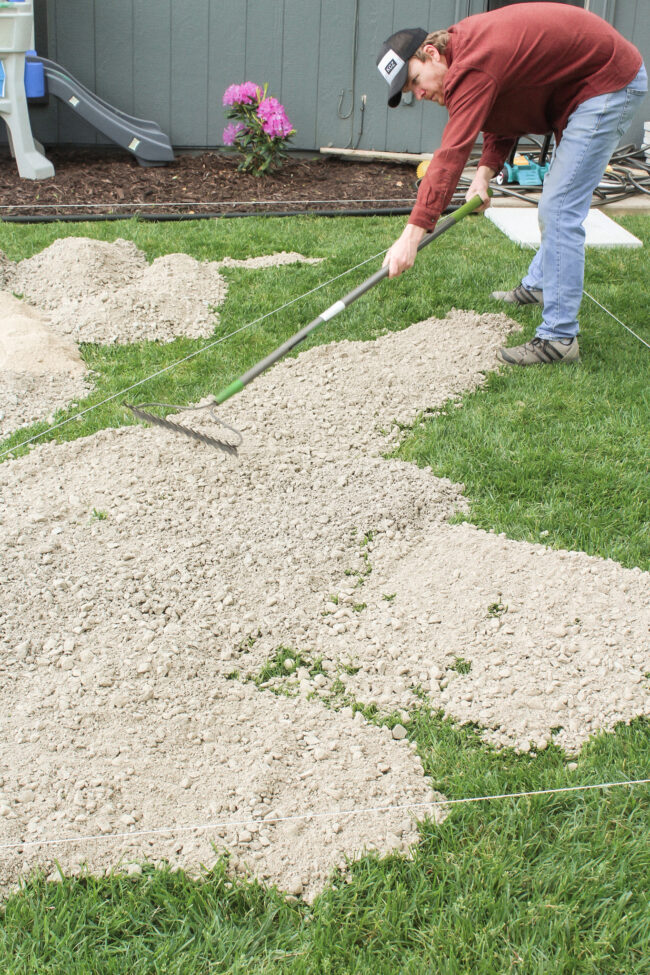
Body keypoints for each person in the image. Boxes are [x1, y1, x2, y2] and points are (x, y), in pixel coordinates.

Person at [376, 4, 647, 365]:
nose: (418, 94)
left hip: (608, 82)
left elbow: (450, 155)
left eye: (415, 81)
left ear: (431, 53)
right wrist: (485, 176)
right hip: (583, 88)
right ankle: (539, 285)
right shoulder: (467, 54)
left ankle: (559, 340)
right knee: (558, 199)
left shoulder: (472, 63)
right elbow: (500, 110)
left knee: (560, 206)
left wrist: (411, 237)